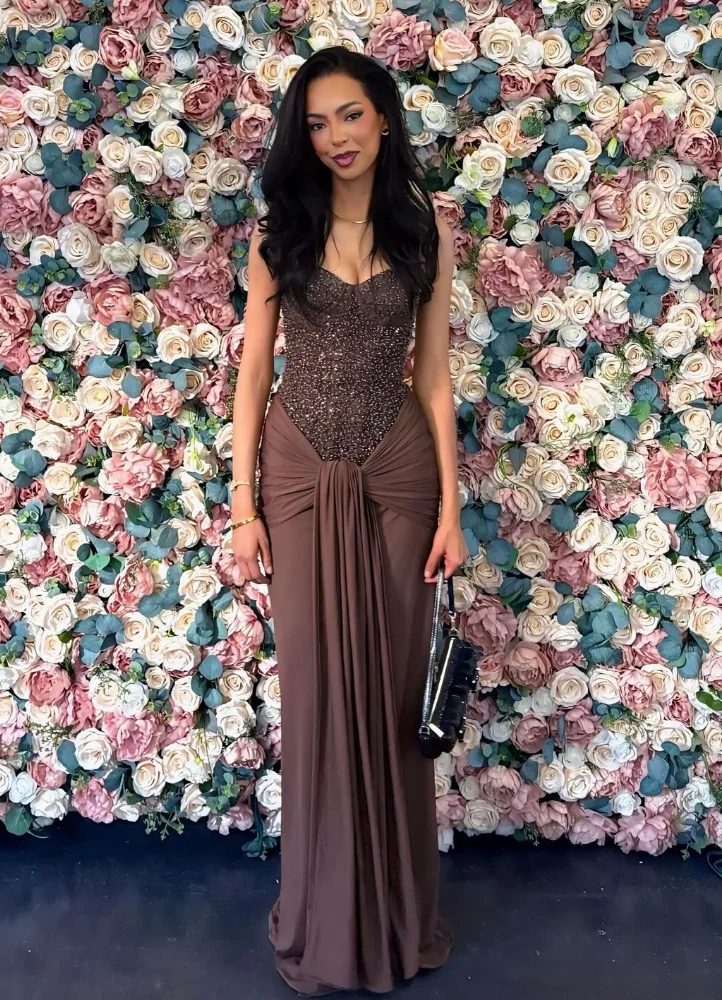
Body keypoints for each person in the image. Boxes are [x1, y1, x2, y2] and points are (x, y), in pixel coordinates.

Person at [230, 45, 468, 997]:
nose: (336, 136)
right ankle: (326, 920)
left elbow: (434, 379)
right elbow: (253, 375)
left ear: (385, 119)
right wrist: (242, 506)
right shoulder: (279, 237)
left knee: (395, 697)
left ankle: (398, 922)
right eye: (318, 122)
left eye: (352, 115)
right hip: (297, 477)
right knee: (318, 691)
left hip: (402, 477)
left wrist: (453, 507)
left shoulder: (425, 232)